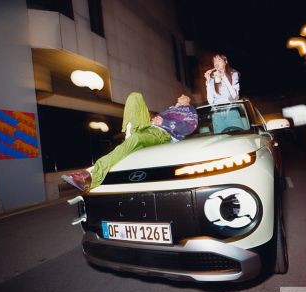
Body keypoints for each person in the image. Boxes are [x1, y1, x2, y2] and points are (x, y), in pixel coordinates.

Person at [62, 92, 198, 191]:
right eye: (180, 95)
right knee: (135, 96)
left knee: (136, 139)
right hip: (149, 126)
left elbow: (189, 127)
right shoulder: (170, 108)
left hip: (163, 134)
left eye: (183, 95)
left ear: (188, 100)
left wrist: (164, 122)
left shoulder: (189, 110)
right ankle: (129, 135)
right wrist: (153, 120)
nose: (180, 95)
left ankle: (89, 176)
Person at [203, 54, 242, 133]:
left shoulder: (233, 74)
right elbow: (210, 101)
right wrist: (207, 81)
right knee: (221, 139)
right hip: (217, 113)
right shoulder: (212, 78)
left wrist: (224, 77)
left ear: (225, 62)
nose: (216, 63)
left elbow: (234, 96)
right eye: (214, 61)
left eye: (219, 60)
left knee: (238, 135)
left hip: (231, 110)